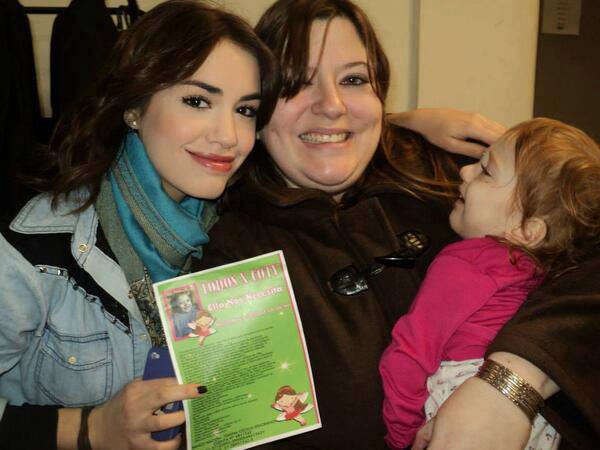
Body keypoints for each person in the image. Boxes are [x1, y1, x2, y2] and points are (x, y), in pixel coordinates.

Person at [196, 1, 599, 449]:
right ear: (259, 104)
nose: (332, 106)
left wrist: (514, 380)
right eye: (298, 83)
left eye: (354, 80)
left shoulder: (450, 176)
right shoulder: (227, 252)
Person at [0, 1, 280, 449]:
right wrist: (90, 429)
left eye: (245, 110)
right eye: (198, 101)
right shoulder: (36, 251)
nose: (229, 136)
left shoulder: (240, 238)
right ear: (134, 106)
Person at [380, 117, 600, 450]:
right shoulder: (555, 274)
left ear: (526, 230)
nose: (464, 171)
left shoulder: (465, 263)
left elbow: (408, 353)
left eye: (485, 171)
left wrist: (401, 434)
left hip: (462, 409)